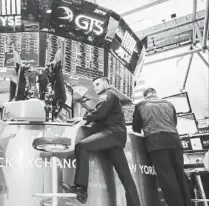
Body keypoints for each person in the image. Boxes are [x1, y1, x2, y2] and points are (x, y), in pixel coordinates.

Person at [61, 77, 141, 206]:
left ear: (106, 84)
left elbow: (100, 112)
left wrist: (85, 120)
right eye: (94, 85)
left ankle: (81, 190)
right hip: (116, 137)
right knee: (126, 177)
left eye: (98, 84)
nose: (96, 87)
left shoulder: (108, 94)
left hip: (112, 134)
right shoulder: (108, 98)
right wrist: (85, 117)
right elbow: (100, 115)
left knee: (82, 146)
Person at [132, 88, 192, 206]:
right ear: (155, 93)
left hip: (156, 142)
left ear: (145, 96)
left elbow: (136, 128)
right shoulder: (169, 104)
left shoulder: (140, 105)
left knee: (167, 177)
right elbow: (174, 122)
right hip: (175, 141)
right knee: (179, 174)